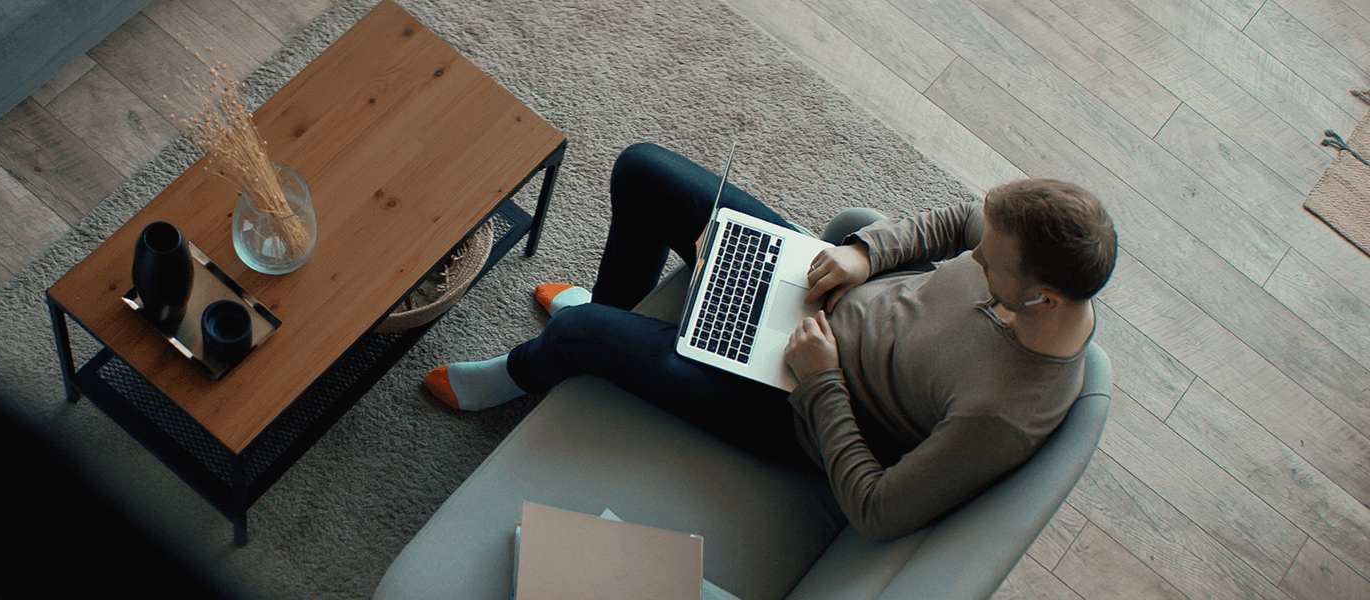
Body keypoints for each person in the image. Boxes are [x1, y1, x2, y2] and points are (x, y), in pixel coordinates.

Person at [422, 143, 1117, 541]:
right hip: (816, 286)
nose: (975, 257)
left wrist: (820, 379)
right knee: (641, 170)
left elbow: (878, 510)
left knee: (580, 333)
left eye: (986, 266)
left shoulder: (1004, 414)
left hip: (796, 402)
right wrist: (863, 254)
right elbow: (959, 222)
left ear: (1042, 298)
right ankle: (615, 316)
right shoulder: (1023, 256)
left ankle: (524, 372)